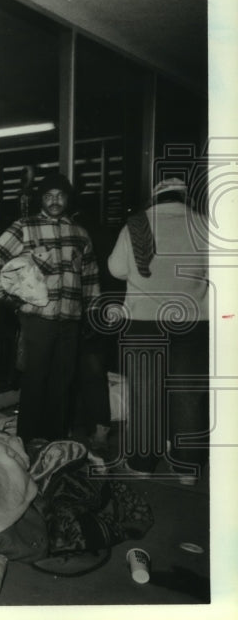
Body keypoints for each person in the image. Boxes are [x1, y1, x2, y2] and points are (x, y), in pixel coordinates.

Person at [0, 171, 100, 443]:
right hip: (38, 320)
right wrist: (0, 294)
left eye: (60, 196)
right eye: (49, 196)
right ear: (41, 200)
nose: (55, 201)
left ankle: (54, 443)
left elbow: (91, 276)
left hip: (71, 319)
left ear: (68, 199)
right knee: (35, 381)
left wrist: (93, 312)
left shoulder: (80, 233)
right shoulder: (24, 226)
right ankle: (27, 442)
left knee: (63, 383)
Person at [106, 177, 210, 480]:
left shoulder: (137, 225)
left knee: (144, 393)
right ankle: (187, 466)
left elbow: (116, 268)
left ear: (155, 198)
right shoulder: (203, 224)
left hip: (143, 322)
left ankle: (142, 464)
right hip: (192, 320)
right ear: (184, 198)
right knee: (188, 393)